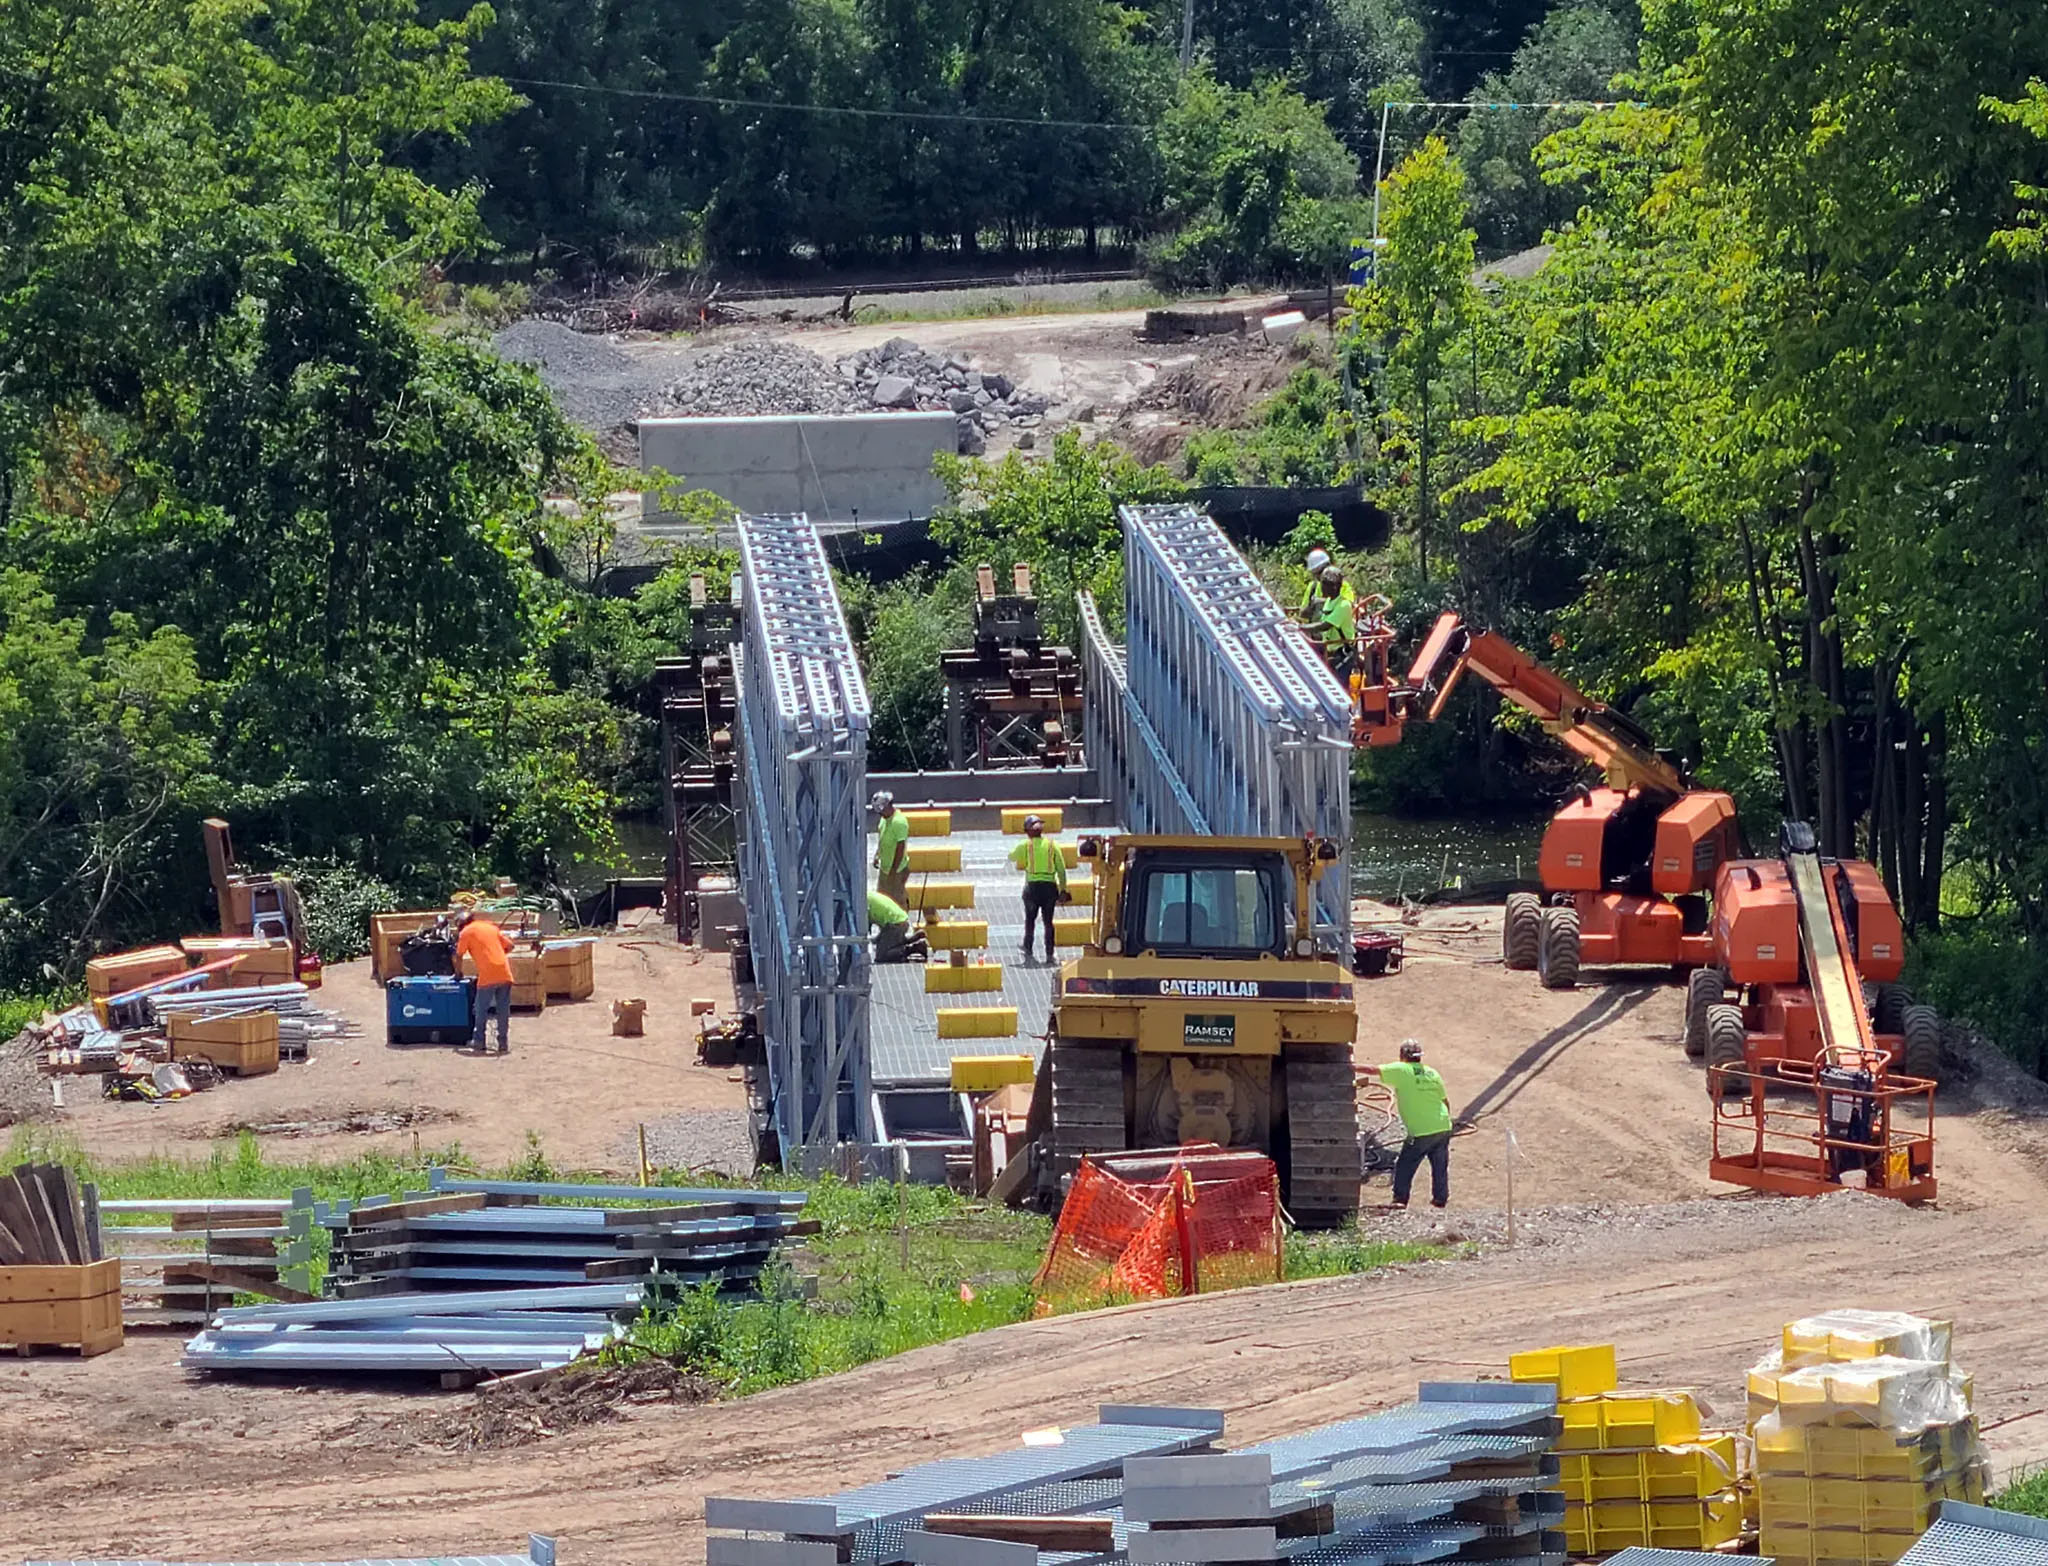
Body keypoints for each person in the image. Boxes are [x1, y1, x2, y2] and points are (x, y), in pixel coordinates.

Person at [1360, 1038, 1453, 1208]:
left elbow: (1371, 1070)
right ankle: (1440, 1199)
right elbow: (1445, 1101)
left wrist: (1346, 1066)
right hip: (1443, 1125)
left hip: (1421, 1130)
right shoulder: (1432, 1073)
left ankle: (1400, 1199)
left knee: (1405, 1163)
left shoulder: (1402, 1069)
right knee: (1440, 1164)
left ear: (1402, 1055)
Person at [1009, 813, 1068, 964]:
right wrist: (1063, 890)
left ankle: (1028, 949)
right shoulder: (1052, 845)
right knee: (1048, 922)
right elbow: (1061, 869)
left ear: (1027, 831)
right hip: (1049, 888)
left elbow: (1011, 856)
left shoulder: (1025, 845)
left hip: (1032, 889)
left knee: (1030, 920)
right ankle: (1050, 954)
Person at [456, 909, 514, 1055]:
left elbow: (458, 956)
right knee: (503, 1010)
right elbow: (510, 946)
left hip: (488, 975)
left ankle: (479, 1041)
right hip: (504, 972)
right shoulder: (490, 927)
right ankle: (503, 1043)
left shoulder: (466, 933)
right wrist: (496, 958)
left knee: (481, 1009)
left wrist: (458, 974)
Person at [1312, 565, 1358, 672]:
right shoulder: (1329, 601)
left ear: (1334, 587)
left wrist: (1300, 627)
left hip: (1342, 655)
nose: (1321, 587)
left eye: (1324, 584)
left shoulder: (1343, 605)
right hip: (1331, 652)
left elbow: (1325, 626)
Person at [871, 791, 910, 906]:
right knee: (882, 899)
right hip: (885, 868)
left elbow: (900, 848)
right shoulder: (884, 819)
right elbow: (882, 838)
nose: (880, 814)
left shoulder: (899, 822)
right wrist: (877, 854)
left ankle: (902, 922)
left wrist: (893, 870)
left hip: (896, 870)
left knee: (897, 900)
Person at [868, 889, 925, 964]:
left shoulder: (861, 904)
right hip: (897, 921)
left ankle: (914, 948)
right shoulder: (867, 896)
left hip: (894, 924)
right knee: (879, 941)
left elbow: (864, 928)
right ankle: (910, 939)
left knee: (881, 956)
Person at [1297, 547, 1333, 618]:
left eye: (1320, 572)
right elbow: (1302, 613)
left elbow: (1348, 606)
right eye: (1316, 573)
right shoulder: (1313, 587)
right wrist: (1311, 606)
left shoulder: (1341, 585)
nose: (1318, 576)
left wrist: (1323, 602)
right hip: (1314, 628)